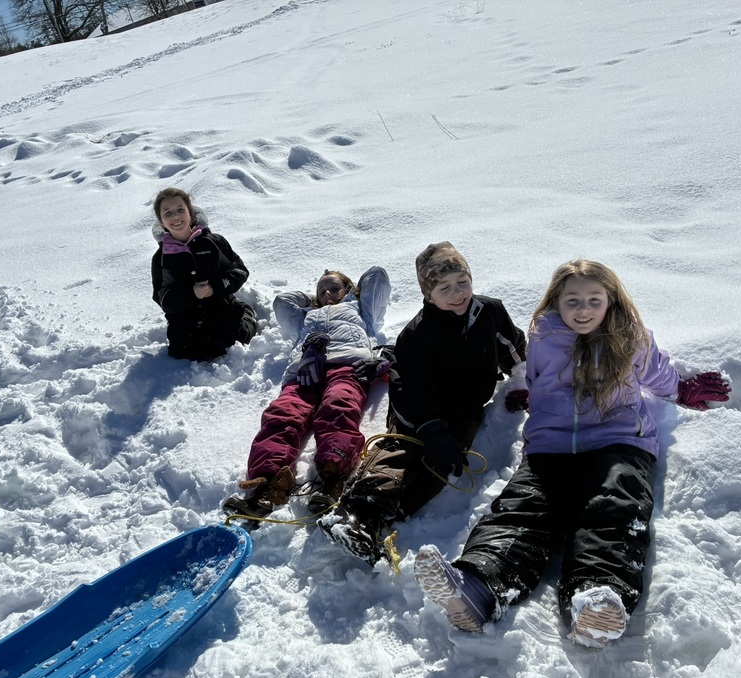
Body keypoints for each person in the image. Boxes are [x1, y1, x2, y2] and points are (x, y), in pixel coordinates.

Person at [414, 259, 731, 648]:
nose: (583, 310)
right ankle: (479, 586)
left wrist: (681, 390)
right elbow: (539, 379)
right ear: (557, 303)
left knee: (613, 506)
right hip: (552, 445)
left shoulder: (630, 336)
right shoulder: (545, 336)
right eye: (573, 301)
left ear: (611, 301)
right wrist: (533, 398)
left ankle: (597, 596)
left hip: (620, 443)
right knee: (523, 506)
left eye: (594, 300)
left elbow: (657, 373)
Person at [318, 242, 527, 566]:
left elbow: (513, 349)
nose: (457, 293)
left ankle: (390, 512)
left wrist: (522, 380)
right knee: (403, 450)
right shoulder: (417, 334)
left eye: (463, 282)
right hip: (419, 409)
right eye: (444, 287)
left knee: (442, 465)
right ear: (429, 293)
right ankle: (355, 512)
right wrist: (431, 428)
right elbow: (407, 387)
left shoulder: (489, 312)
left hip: (465, 410)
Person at [224, 265, 391, 525]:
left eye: (334, 287)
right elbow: (283, 302)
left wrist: (353, 295)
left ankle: (333, 475)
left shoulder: (361, 310)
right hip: (304, 372)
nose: (327, 292)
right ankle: (267, 485)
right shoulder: (306, 317)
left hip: (348, 365)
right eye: (321, 289)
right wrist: (312, 302)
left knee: (338, 408)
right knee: (281, 415)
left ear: (348, 290)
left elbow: (377, 276)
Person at [150, 187, 258, 361]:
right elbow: (163, 298)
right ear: (161, 221)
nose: (175, 216)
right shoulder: (161, 257)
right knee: (182, 351)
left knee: (236, 339)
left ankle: (246, 313)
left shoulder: (213, 242)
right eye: (168, 213)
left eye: (180, 210)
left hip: (220, 306)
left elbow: (239, 271)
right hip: (186, 316)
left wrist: (213, 288)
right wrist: (191, 293)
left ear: (190, 213)